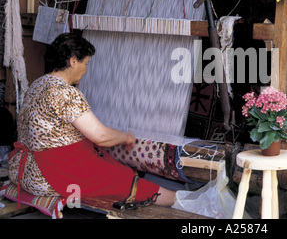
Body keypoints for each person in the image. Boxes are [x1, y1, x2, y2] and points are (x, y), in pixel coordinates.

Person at [8, 32, 175, 206]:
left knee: (107, 163)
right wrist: (125, 136)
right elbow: (101, 137)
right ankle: (177, 200)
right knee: (121, 179)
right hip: (46, 176)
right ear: (73, 61)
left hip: (21, 170)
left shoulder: (37, 84)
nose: (86, 70)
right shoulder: (66, 92)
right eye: (85, 63)